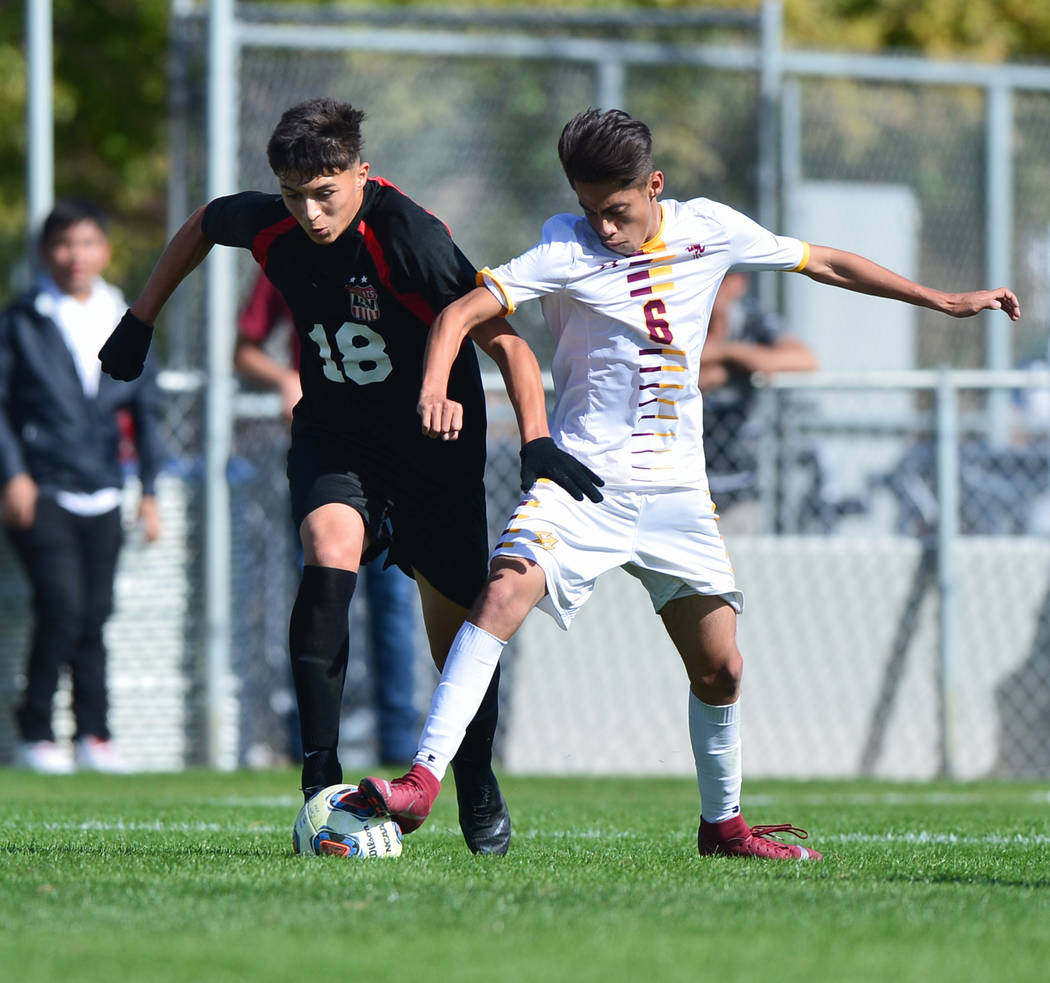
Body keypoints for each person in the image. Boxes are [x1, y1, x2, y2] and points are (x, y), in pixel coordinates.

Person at [357, 108, 1021, 861]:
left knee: (721, 665)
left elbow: (825, 262)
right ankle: (421, 781)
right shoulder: (562, 245)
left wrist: (944, 300)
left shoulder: (711, 228)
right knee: (503, 590)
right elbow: (461, 311)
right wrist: (437, 383)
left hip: (677, 494)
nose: (604, 227)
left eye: (618, 210)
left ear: (655, 186)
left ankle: (724, 826)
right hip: (584, 481)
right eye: (589, 209)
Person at [98, 98, 600, 854]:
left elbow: (509, 344)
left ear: (361, 174)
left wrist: (534, 438)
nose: (309, 211)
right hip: (338, 435)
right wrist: (141, 318)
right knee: (326, 561)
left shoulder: (410, 237)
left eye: (325, 193)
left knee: (457, 630)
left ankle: (476, 773)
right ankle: (319, 780)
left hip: (434, 449)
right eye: (294, 194)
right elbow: (204, 222)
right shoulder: (274, 223)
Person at [0, 198, 164, 774]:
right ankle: (36, 731)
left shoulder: (129, 316)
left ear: (106, 251)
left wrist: (148, 489)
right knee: (63, 606)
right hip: (40, 488)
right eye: (64, 244)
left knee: (94, 612)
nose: (76, 256)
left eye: (88, 243)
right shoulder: (22, 320)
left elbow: (147, 410)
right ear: (47, 252)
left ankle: (94, 734)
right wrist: (12, 474)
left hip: (103, 489)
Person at [234, 270, 419, 765]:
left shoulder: (396, 250)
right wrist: (284, 378)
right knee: (319, 597)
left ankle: (402, 747)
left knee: (394, 603)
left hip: (391, 452)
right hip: (324, 455)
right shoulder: (288, 254)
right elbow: (244, 347)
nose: (316, 209)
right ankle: (312, 746)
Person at [700, 271, 818, 523]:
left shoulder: (752, 321)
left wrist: (729, 355)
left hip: (739, 485)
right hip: (679, 480)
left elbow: (804, 360)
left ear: (738, 284)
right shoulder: (678, 312)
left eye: (718, 280)